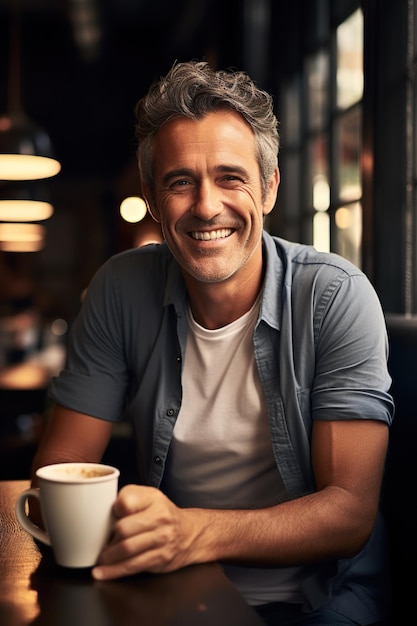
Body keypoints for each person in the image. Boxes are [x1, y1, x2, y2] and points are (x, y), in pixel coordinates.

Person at [30, 60, 394, 626]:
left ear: (269, 187)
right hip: (170, 590)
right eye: (180, 181)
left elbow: (349, 514)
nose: (205, 206)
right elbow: (60, 467)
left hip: (316, 600)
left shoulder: (336, 297)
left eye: (231, 177)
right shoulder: (121, 288)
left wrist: (193, 531)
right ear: (152, 198)